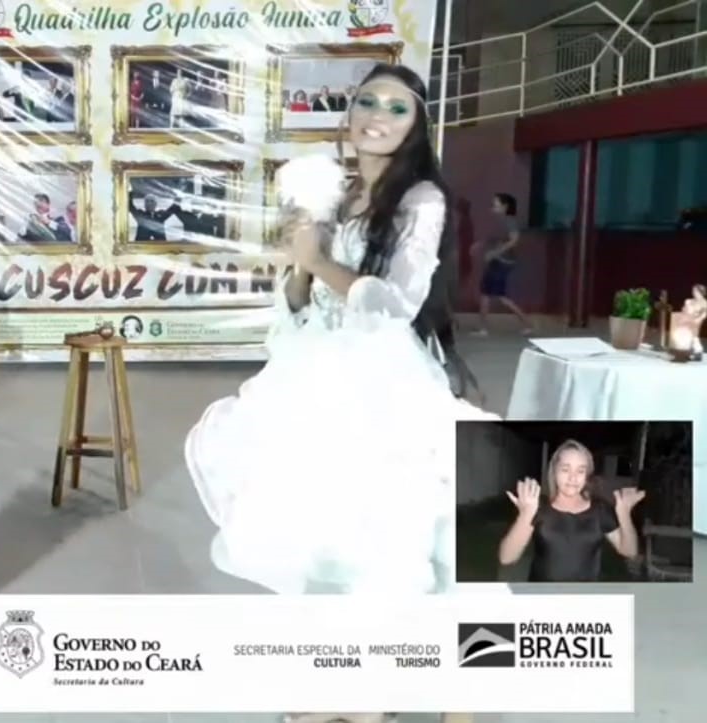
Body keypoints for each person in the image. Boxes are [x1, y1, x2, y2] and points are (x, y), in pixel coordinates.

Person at [185, 63, 500, 723]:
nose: (377, 116)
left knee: (401, 534)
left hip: (385, 382)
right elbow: (299, 308)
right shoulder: (339, 195)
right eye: (367, 101)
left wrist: (319, 261)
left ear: (416, 125)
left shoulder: (422, 199)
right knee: (337, 531)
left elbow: (396, 304)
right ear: (349, 112)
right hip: (317, 380)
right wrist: (300, 266)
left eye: (396, 107)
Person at [497, 440, 643, 582]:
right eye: (565, 469)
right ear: (554, 472)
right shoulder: (538, 507)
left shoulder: (600, 510)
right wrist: (525, 515)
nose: (573, 478)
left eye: (580, 471)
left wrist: (624, 513)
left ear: (587, 476)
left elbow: (630, 551)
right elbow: (506, 558)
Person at [474, 193, 532, 335]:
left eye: (495, 203)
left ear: (505, 206)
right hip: (497, 261)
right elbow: (494, 238)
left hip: (503, 262)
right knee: (486, 293)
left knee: (498, 296)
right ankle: (483, 328)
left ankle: (528, 324)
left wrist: (495, 253)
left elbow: (514, 240)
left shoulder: (509, 221)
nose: (492, 206)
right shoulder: (500, 221)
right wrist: (480, 244)